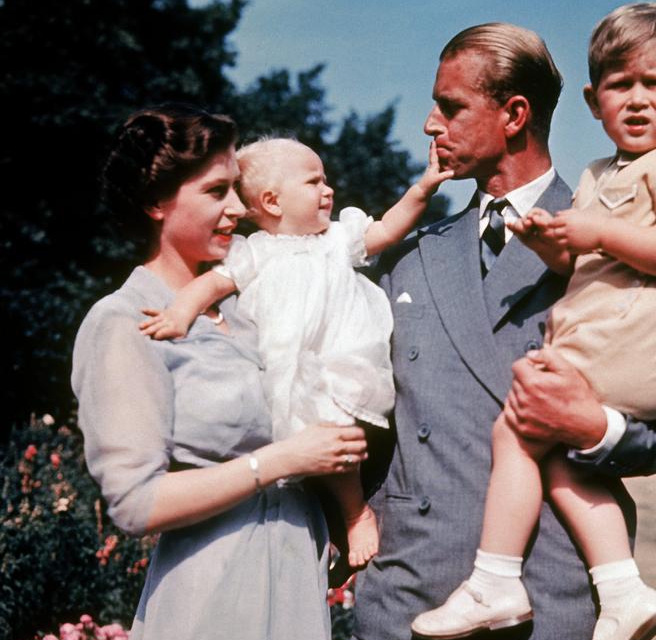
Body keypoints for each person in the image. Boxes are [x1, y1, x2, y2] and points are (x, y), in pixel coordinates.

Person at [337, 23, 656, 640]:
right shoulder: (410, 257)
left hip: (551, 611)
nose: (430, 123)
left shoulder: (617, 238)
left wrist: (596, 428)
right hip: (411, 608)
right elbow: (350, 408)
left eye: (451, 105)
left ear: (515, 114)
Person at [412, 3, 656, 640]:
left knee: (520, 431)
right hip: (412, 591)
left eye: (655, 85)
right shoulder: (594, 181)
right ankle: (622, 591)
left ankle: (498, 580)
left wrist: (592, 234)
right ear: (593, 100)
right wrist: (557, 248)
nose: (637, 101)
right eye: (619, 87)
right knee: (546, 454)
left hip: (624, 362)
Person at [72, 104, 369, 640]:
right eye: (216, 191)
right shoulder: (125, 322)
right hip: (210, 601)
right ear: (157, 203)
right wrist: (281, 461)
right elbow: (135, 503)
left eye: (238, 188)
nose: (237, 208)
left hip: (292, 582)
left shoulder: (248, 314)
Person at [138, 137, 451, 571]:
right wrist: (178, 312)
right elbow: (211, 285)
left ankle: (355, 512)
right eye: (314, 182)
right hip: (281, 368)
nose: (329, 190)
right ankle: (330, 533)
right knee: (295, 451)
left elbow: (385, 230)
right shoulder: (255, 252)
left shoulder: (338, 238)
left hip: (338, 364)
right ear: (271, 201)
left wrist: (423, 188)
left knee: (333, 435)